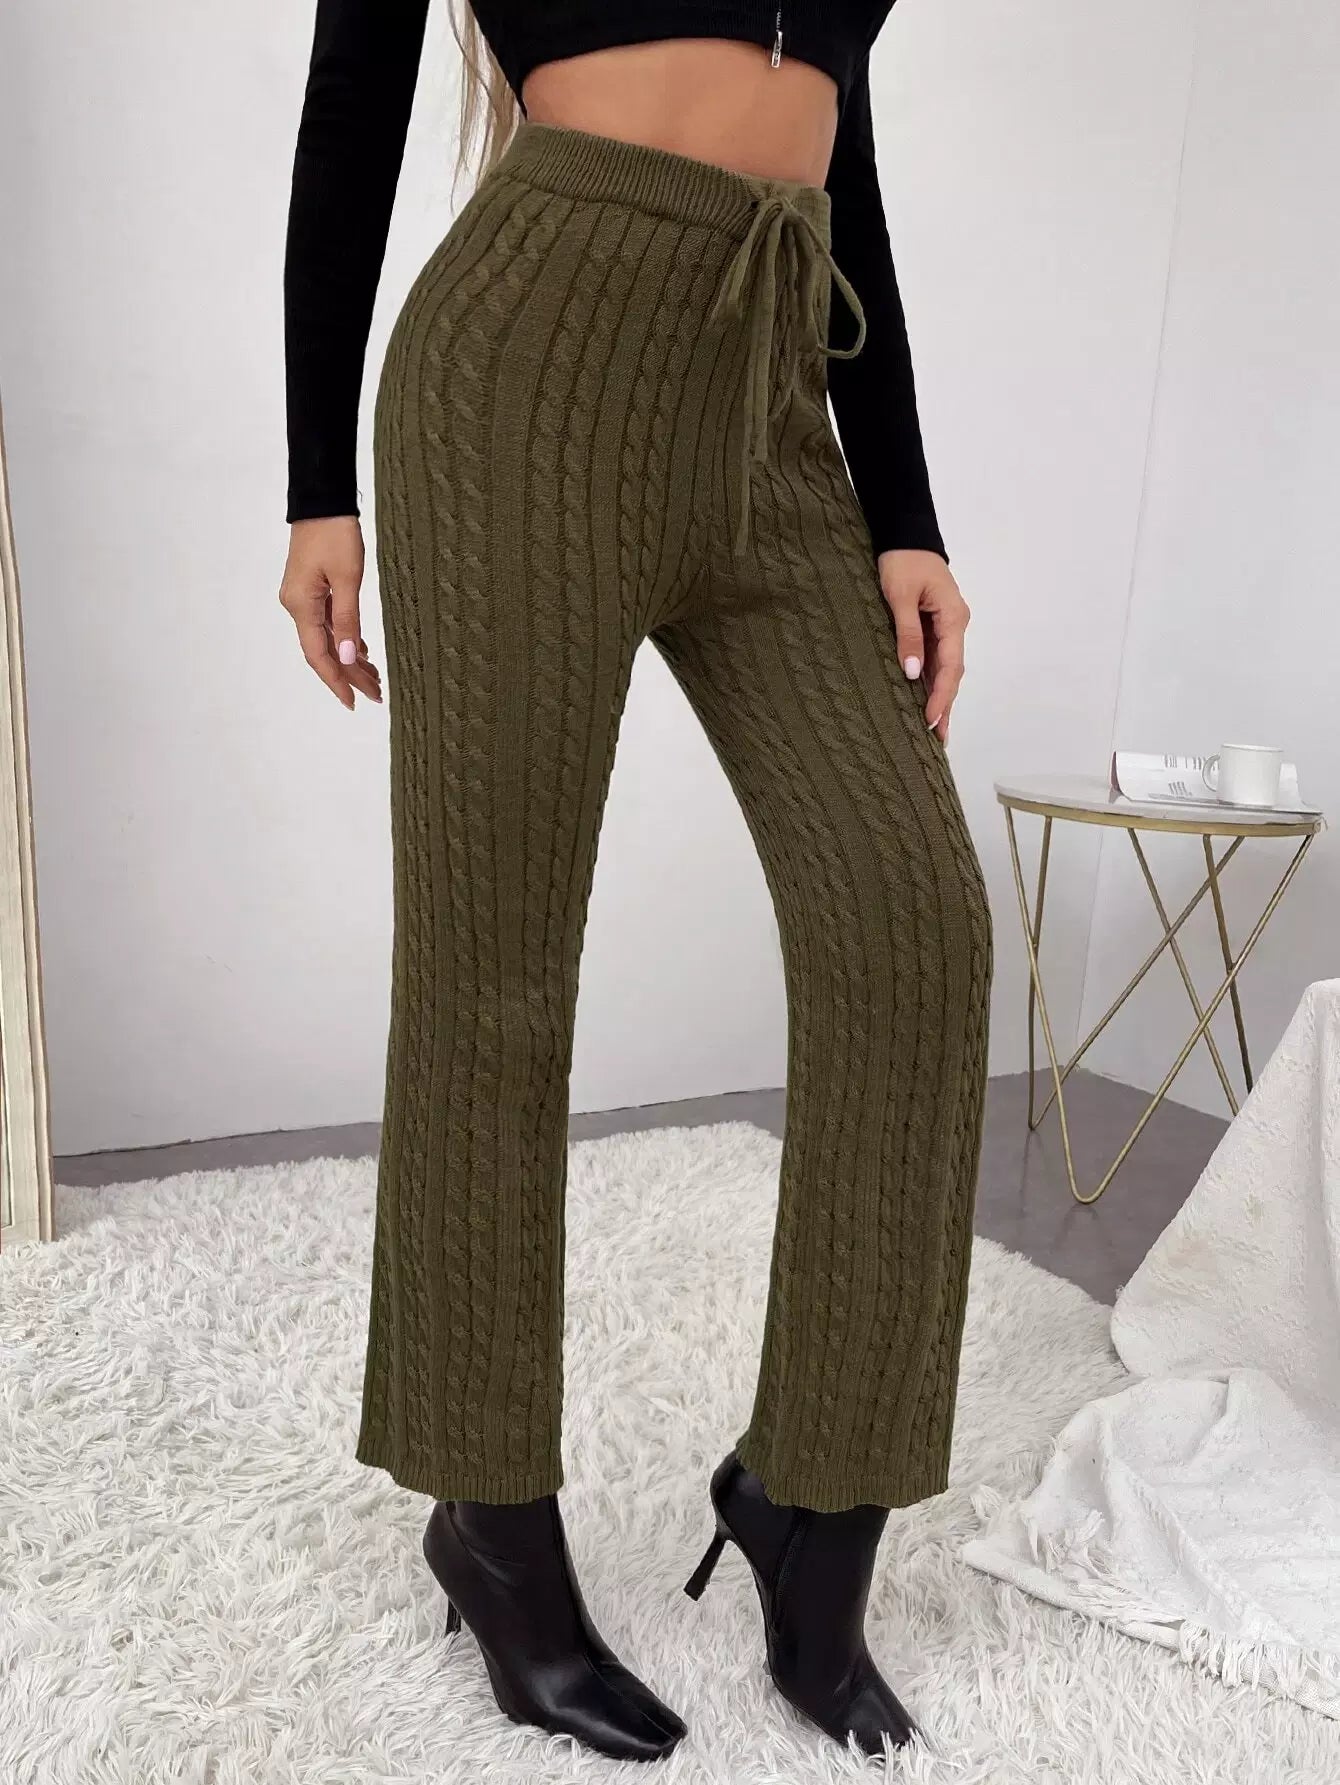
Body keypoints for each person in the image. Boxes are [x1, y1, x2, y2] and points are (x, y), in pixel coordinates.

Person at [279, 0, 992, 1761]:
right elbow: (355, 91)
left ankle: (818, 1502)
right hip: (526, 373)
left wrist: (905, 506)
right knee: (495, 974)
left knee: (912, 928)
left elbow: (842, 158)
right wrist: (315, 487)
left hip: (773, 388)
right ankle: (490, 1523)